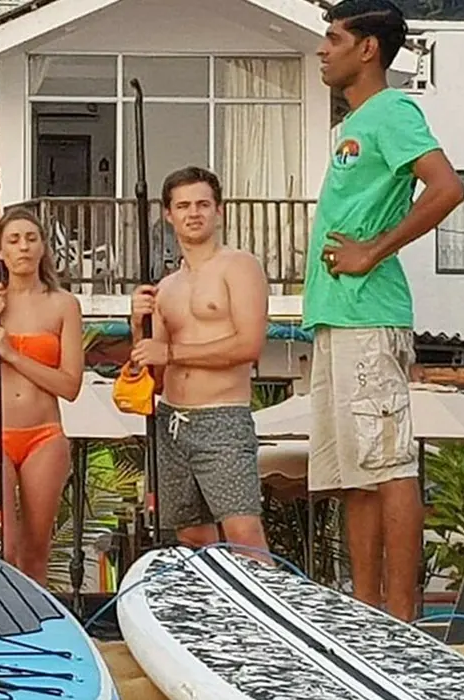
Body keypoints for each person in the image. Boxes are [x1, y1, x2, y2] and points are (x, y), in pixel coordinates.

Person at [308, 0, 464, 621]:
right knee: (355, 473)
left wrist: (373, 250)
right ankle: (365, 614)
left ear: (367, 48)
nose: (323, 49)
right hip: (337, 317)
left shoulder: (393, 110)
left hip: (370, 316)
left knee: (390, 466)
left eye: (333, 37)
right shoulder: (353, 123)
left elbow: (448, 186)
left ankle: (403, 618)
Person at [128, 166, 271, 556]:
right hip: (172, 419)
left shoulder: (239, 266)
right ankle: (222, 607)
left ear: (218, 211)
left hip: (222, 414)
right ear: (168, 214)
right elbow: (151, 372)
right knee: (191, 533)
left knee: (243, 531)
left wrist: (170, 353)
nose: (194, 213)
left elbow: (248, 345)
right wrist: (138, 328)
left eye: (203, 204)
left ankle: (259, 612)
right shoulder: (167, 286)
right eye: (184, 205)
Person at [0, 209, 83, 585]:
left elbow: (70, 385)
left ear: (43, 247)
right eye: (13, 239)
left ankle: (38, 633)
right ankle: (2, 622)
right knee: (0, 547)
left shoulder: (63, 305)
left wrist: (13, 353)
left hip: (44, 432)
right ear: (0, 251)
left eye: (31, 238)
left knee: (35, 551)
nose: (23, 247)